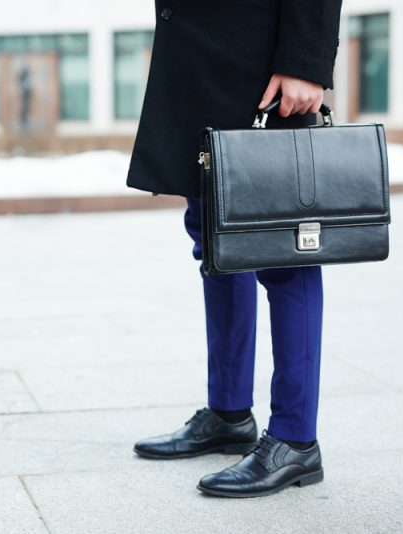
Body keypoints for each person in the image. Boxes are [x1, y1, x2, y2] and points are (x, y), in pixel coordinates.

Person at [126, 1, 343, 498]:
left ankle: (295, 438)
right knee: (216, 238)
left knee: (281, 247)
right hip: (197, 56)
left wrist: (305, 60)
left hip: (262, 62)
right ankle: (228, 412)